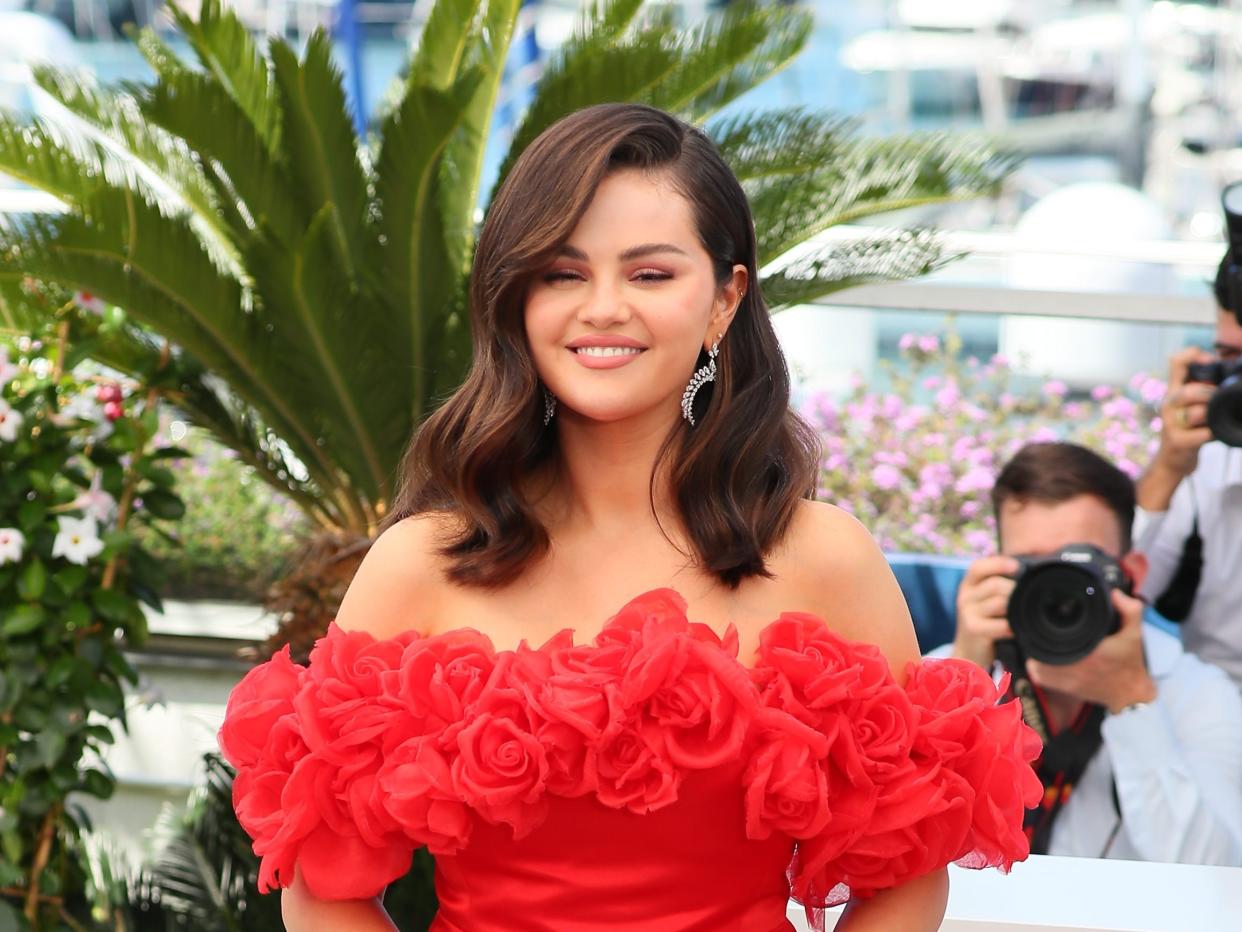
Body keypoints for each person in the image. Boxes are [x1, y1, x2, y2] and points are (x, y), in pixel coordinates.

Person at [217, 103, 1040, 932]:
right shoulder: (421, 562)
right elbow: (323, 884)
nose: (603, 308)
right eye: (563, 273)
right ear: (515, 299)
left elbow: (905, 872)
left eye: (650, 274)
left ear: (725, 299)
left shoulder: (824, 558)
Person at [942, 441, 1242, 864]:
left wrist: (1133, 701)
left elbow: (1215, 875)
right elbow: (891, 851)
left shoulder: (1197, 692)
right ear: (997, 568)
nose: (1056, 588)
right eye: (1032, 566)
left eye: (1076, 564)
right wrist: (962, 682)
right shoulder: (948, 667)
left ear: (1132, 573)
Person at [1134, 254, 1242, 690]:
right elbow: (1111, 593)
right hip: (1224, 713)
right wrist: (1168, 465)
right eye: (1232, 360)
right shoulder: (1209, 462)